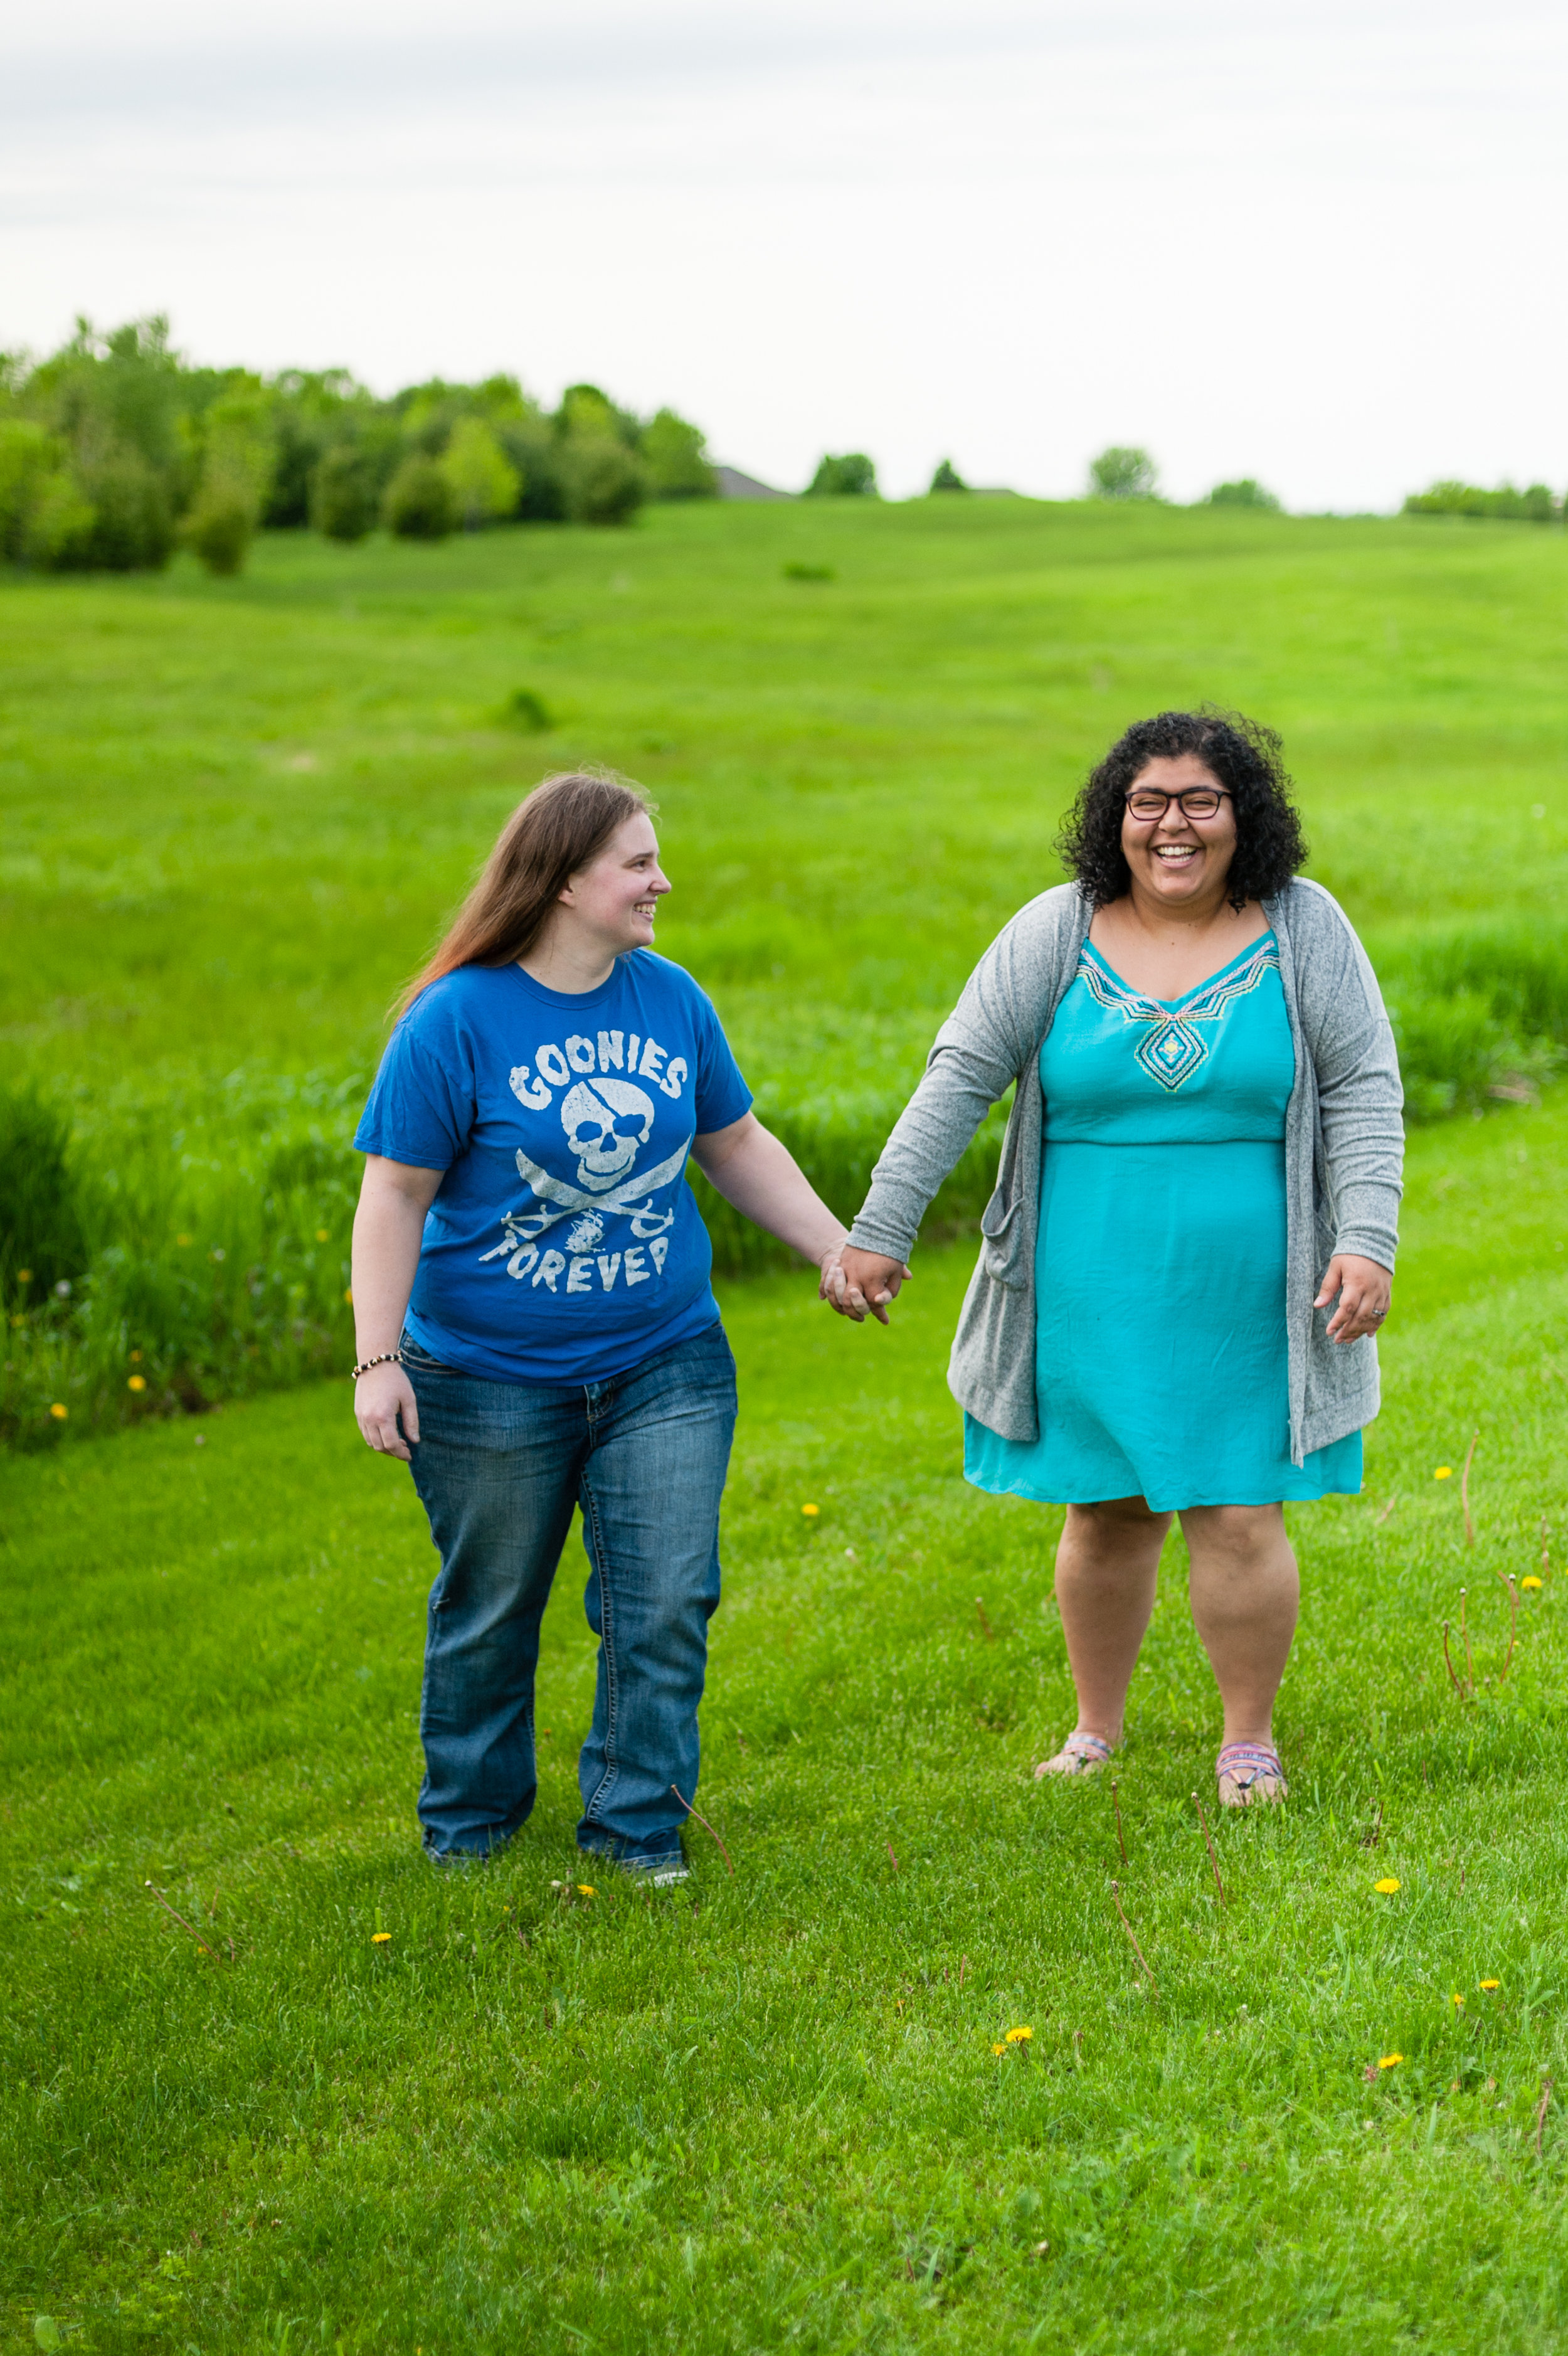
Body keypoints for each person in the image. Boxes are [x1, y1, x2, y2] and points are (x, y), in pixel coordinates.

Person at [825, 710, 1402, 1805]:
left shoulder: (1302, 927)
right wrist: (879, 1232)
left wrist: (1366, 1236)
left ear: (1245, 817)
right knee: (1107, 1507)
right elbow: (958, 1077)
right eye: (1149, 802)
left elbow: (1366, 1086)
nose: (1172, 825)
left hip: (1253, 1290)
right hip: (1087, 1286)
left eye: (1200, 801)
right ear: (1114, 818)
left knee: (1238, 1505)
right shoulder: (1056, 928)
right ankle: (1096, 1731)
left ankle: (1248, 1744)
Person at [350, 769, 850, 1877]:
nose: (661, 881)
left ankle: (637, 1829)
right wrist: (378, 1360)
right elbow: (393, 1196)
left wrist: (835, 1249)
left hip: (664, 1360)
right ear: (566, 879)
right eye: (638, 862)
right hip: (484, 1376)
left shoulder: (669, 997)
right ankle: (470, 1831)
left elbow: (734, 1143)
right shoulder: (455, 1021)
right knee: (491, 1610)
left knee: (665, 1600)